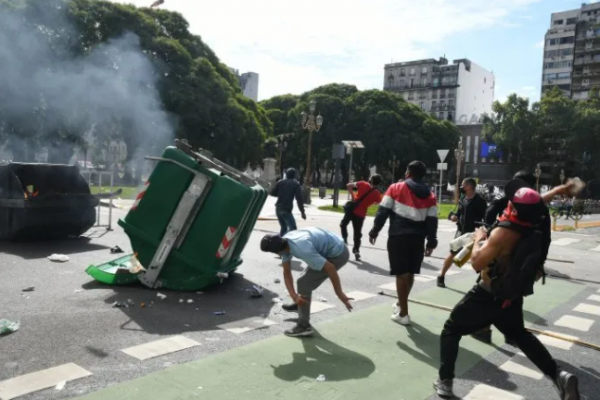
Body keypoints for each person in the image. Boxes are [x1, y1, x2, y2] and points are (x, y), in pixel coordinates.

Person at [433, 180, 580, 400]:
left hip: (487, 294)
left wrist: (480, 240)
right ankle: (559, 375)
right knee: (519, 334)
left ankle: (445, 381)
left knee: (451, 329)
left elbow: (476, 263)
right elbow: (540, 202)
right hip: (512, 294)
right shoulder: (533, 223)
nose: (508, 202)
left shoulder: (503, 234)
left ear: (514, 207)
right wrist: (561, 189)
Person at [369, 161, 438, 326]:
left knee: (401, 274)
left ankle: (403, 314)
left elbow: (383, 211)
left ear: (408, 172)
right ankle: (401, 303)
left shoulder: (395, 188)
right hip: (418, 238)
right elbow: (432, 220)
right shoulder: (430, 195)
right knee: (410, 273)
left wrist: (375, 230)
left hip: (398, 236)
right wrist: (431, 241)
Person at [260, 227, 353, 337]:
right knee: (303, 280)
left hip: (338, 254)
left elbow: (330, 268)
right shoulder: (285, 241)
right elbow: (287, 272)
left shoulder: (302, 249)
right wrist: (294, 296)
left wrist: (339, 293)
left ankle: (304, 326)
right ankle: (299, 306)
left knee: (304, 283)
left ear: (278, 252)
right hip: (331, 244)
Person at [437, 178, 487, 288]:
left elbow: (486, 218)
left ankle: (483, 281)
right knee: (452, 254)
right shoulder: (462, 199)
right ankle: (441, 276)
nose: (461, 187)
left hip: (474, 234)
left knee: (479, 257)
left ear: (469, 186)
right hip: (461, 232)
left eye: (463, 185)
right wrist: (453, 217)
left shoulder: (480, 201)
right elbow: (456, 214)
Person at [341, 174, 383, 261]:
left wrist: (354, 195)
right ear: (378, 183)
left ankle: (344, 240)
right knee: (357, 233)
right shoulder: (377, 194)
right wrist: (369, 203)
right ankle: (356, 250)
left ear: (370, 179)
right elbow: (380, 203)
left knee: (343, 224)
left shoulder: (363, 184)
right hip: (361, 214)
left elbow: (349, 185)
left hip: (352, 209)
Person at [271, 168, 306, 236]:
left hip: (278, 208)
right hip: (286, 209)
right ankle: (288, 244)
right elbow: (299, 199)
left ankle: (281, 243)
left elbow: (273, 193)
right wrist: (302, 212)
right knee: (293, 228)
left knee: (283, 228)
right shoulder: (295, 183)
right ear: (294, 175)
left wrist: (282, 191)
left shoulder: (280, 182)